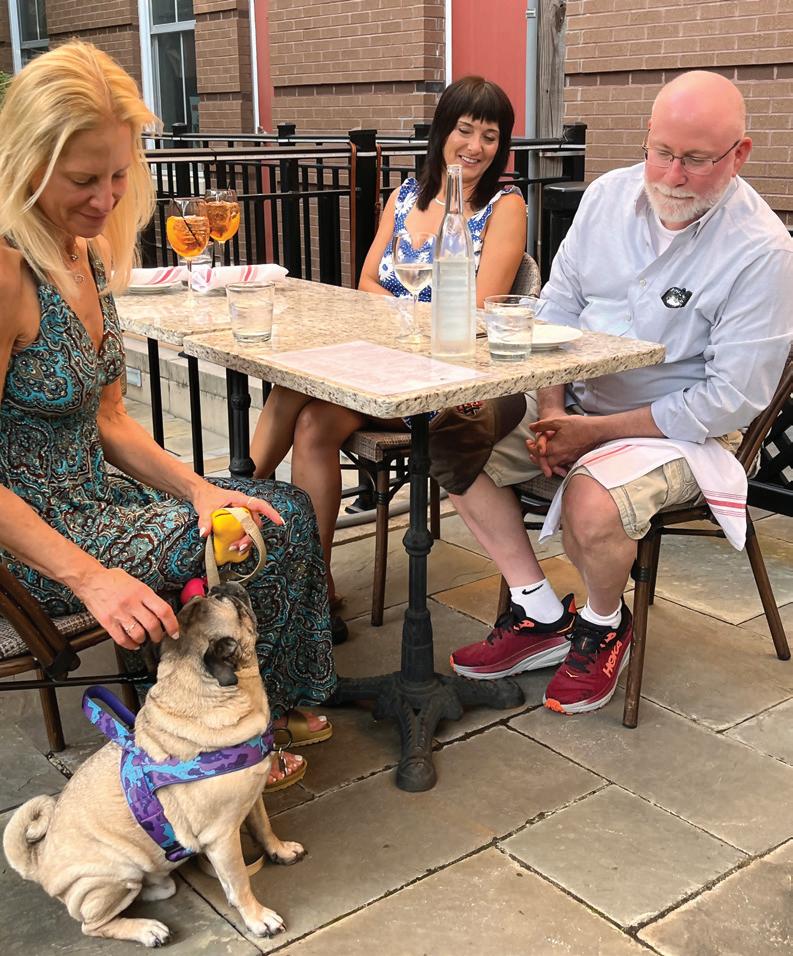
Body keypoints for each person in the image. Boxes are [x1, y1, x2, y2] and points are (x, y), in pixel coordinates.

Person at [0, 41, 334, 790]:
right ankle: (226, 739)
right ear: (26, 162)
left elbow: (111, 418)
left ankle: (263, 711)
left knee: (272, 508)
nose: (105, 199)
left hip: (97, 504)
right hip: (35, 549)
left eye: (118, 174)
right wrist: (93, 581)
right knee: (255, 537)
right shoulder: (5, 269)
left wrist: (199, 490)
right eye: (83, 179)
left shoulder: (79, 251)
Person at [447, 70, 793, 714]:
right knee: (452, 435)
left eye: (696, 160)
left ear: (739, 154)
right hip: (576, 400)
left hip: (682, 430)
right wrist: (553, 411)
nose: (672, 176)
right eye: (661, 152)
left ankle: (604, 623)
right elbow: (556, 311)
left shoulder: (762, 250)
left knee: (593, 503)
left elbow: (732, 397)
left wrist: (594, 433)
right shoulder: (608, 196)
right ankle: (538, 610)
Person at [249, 76, 528, 638]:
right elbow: (365, 282)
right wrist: (408, 315)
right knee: (309, 417)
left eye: (490, 136)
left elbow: (475, 310)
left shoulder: (505, 207)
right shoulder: (406, 196)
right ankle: (314, 584)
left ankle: (228, 509)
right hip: (383, 364)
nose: (475, 146)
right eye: (465, 130)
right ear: (442, 132)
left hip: (447, 380)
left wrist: (401, 315)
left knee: (298, 389)